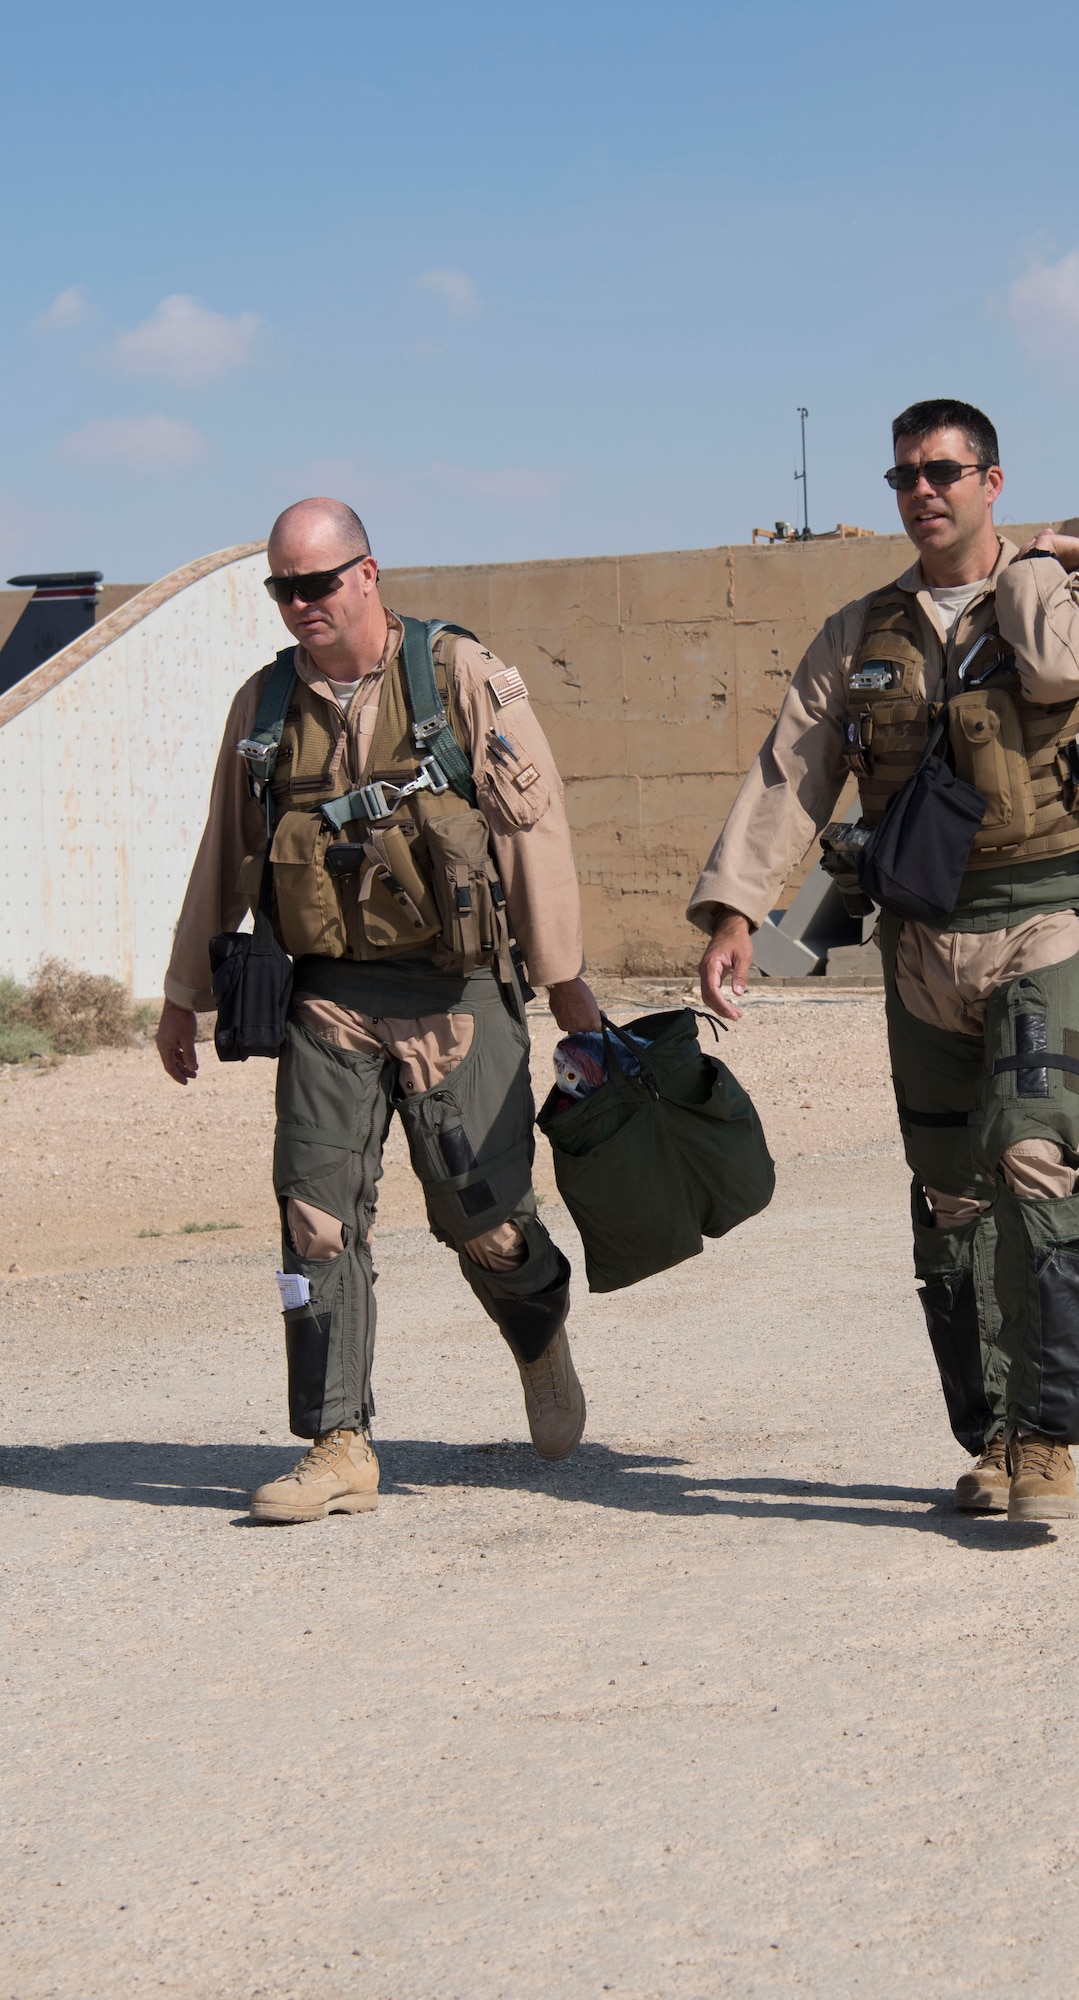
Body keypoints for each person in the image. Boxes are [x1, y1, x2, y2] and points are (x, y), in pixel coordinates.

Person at [690, 399, 1079, 1522]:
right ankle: (988, 1434)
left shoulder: (1069, 591)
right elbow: (793, 769)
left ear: (992, 478)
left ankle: (1049, 1438)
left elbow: (1066, 659)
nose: (920, 491)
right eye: (902, 476)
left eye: (942, 470)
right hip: (922, 937)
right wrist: (738, 910)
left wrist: (1033, 567)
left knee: (1031, 1152)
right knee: (948, 1195)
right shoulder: (859, 632)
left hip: (1044, 913)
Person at [156, 498, 601, 1524]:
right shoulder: (264, 709)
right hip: (328, 996)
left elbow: (535, 834)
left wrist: (567, 984)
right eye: (283, 588)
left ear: (367, 573)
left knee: (484, 1222)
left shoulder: (457, 677)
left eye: (318, 582)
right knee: (313, 1219)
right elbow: (223, 852)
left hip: (455, 993)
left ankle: (537, 1332)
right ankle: (337, 1438)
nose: (301, 604)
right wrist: (185, 993)